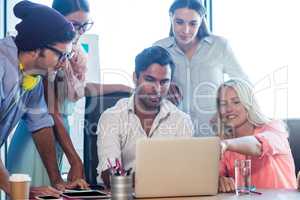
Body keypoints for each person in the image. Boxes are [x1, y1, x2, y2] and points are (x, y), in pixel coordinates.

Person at [8, 0, 131, 187]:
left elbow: (76, 92)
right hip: (37, 139)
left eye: (84, 26)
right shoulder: (44, 57)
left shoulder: (69, 53)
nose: (79, 32)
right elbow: (51, 113)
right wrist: (74, 158)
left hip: (54, 134)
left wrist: (126, 87)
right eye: (74, 25)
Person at [0, 1, 88, 198]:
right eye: (61, 55)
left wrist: (57, 182)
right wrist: (17, 191)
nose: (64, 63)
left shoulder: (33, 77)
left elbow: (41, 125)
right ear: (36, 49)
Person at [96, 46, 194, 187]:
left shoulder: (181, 120)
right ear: (135, 78)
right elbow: (110, 177)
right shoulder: (112, 117)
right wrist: (159, 177)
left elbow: (186, 173)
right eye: (150, 80)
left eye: (164, 82)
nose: (157, 89)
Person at [154, 0, 249, 136]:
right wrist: (162, 86)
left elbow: (244, 84)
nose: (185, 30)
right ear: (171, 17)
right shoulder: (159, 48)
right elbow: (145, 86)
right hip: (173, 133)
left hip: (214, 133)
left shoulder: (220, 46)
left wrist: (228, 108)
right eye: (179, 22)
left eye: (193, 23)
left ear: (202, 20)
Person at [216, 79, 297, 192]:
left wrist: (226, 144)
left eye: (236, 102)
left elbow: (259, 145)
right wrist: (220, 181)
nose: (229, 109)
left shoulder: (273, 127)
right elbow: (214, 175)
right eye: (223, 104)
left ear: (249, 104)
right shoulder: (224, 142)